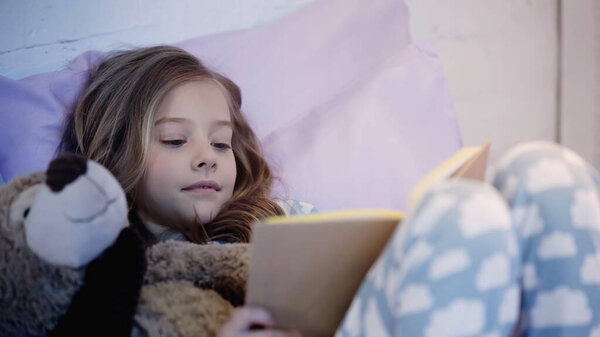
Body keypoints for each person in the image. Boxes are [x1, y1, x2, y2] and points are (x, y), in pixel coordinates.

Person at [60, 45, 304, 337]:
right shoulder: (109, 280)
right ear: (114, 153)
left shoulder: (283, 221)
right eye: (175, 140)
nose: (208, 157)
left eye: (220, 143)